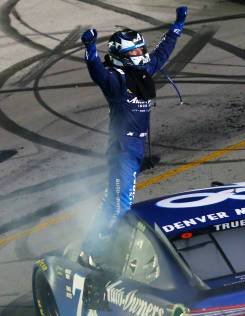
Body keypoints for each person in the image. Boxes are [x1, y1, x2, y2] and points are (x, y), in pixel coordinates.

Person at [78, 6, 188, 266]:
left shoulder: (142, 72)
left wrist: (177, 25)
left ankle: (89, 249)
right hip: (122, 150)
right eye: (136, 51)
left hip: (135, 149)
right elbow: (96, 71)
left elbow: (163, 52)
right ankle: (105, 255)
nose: (142, 53)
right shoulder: (115, 81)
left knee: (110, 202)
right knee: (122, 205)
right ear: (124, 56)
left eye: (141, 49)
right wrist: (91, 47)